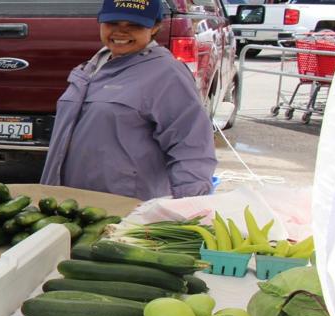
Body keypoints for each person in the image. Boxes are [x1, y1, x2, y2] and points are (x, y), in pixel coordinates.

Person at [39, 0, 217, 201]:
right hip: (70, 204)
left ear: (155, 27)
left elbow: (190, 146)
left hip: (122, 209)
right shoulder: (93, 66)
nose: (120, 32)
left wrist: (190, 206)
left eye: (134, 25)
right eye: (112, 23)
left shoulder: (167, 75)